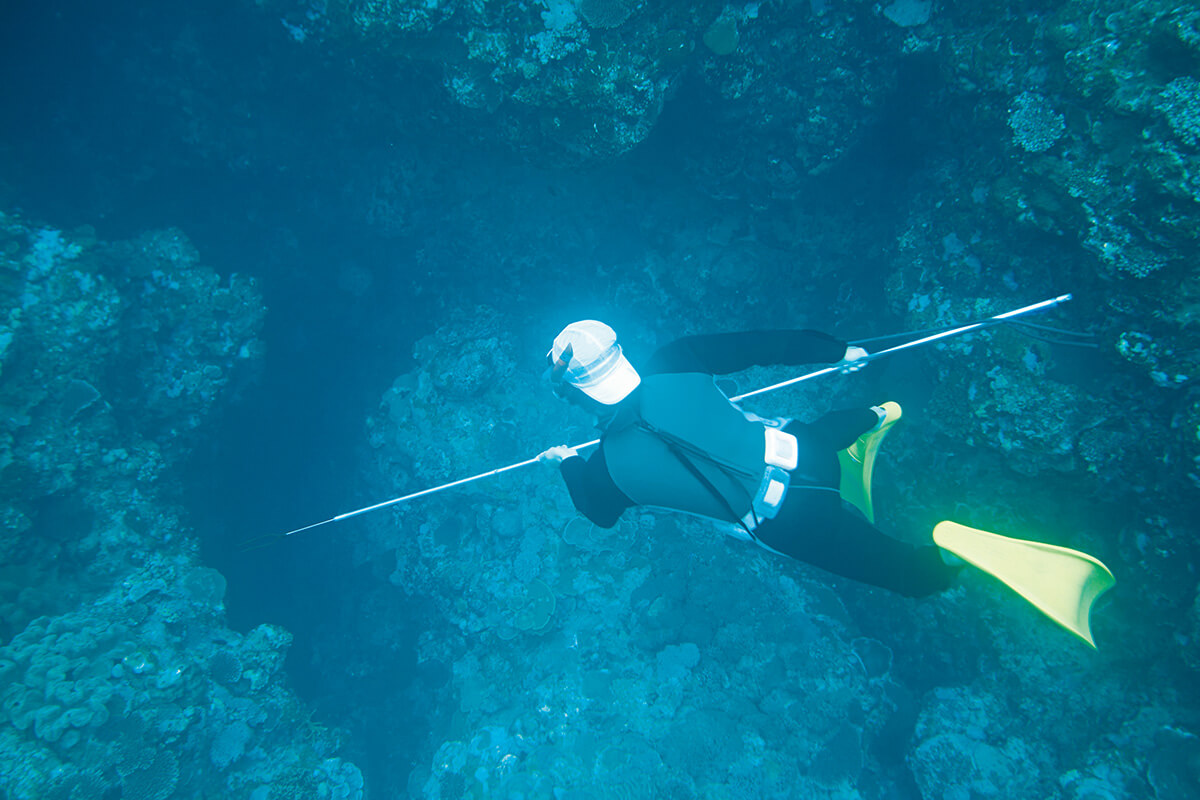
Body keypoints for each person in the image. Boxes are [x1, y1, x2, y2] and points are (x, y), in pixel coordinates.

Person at [539, 320, 1116, 646]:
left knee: (912, 578)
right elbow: (763, 340)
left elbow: (597, 513)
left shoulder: (605, 469)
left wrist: (565, 462)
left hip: (789, 524)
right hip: (803, 453)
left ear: (572, 393)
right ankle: (876, 415)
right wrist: (840, 351)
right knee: (814, 438)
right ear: (620, 349)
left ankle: (950, 557)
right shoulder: (675, 357)